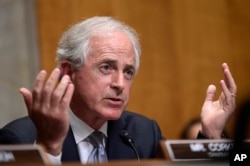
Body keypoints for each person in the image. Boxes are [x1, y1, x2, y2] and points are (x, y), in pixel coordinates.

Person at [0, 16, 237, 164]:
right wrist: (49, 146)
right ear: (68, 71)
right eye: (106, 67)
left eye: (128, 72)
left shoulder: (143, 134)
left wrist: (212, 136)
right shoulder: (20, 138)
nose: (120, 84)